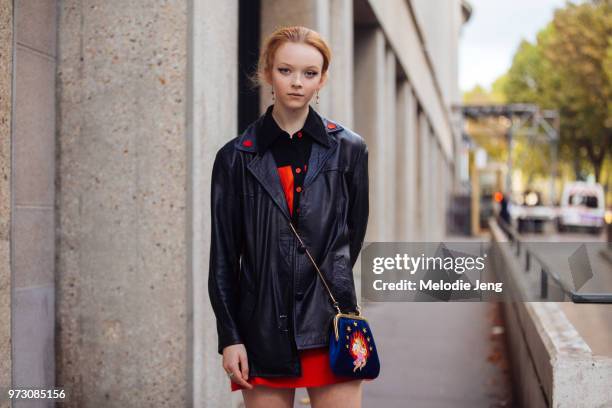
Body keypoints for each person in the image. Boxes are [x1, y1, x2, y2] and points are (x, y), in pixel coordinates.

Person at [208, 25, 371, 408]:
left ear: (322, 80)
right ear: (267, 73)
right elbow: (223, 257)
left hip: (331, 325)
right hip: (262, 329)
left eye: (309, 73)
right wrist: (230, 336)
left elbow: (352, 237)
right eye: (285, 71)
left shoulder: (349, 150)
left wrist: (328, 289)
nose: (297, 83)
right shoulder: (235, 158)